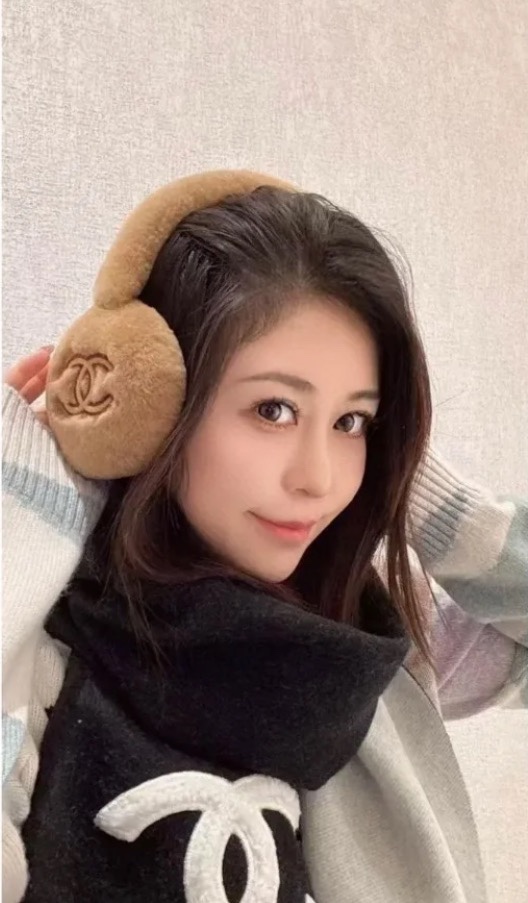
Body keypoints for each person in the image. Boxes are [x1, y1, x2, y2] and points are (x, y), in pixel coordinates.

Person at [2, 172, 526, 903]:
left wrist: (422, 494)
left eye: (352, 422)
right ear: (152, 407)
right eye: (274, 410)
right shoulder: (46, 647)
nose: (319, 478)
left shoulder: (372, 640)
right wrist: (22, 512)